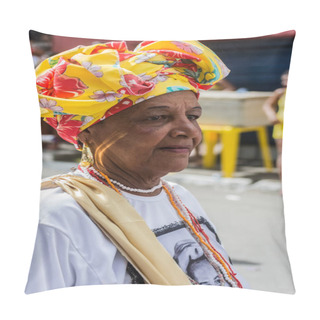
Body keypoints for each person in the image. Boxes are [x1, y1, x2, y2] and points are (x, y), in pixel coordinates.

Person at [25, 40, 247, 293]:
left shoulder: (178, 196)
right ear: (88, 131)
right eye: (157, 117)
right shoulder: (56, 218)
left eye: (193, 116)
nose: (187, 130)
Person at [262, 71, 288, 179]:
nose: (284, 83)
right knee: (282, 154)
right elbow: (267, 105)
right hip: (281, 127)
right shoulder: (280, 92)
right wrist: (272, 116)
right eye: (283, 80)